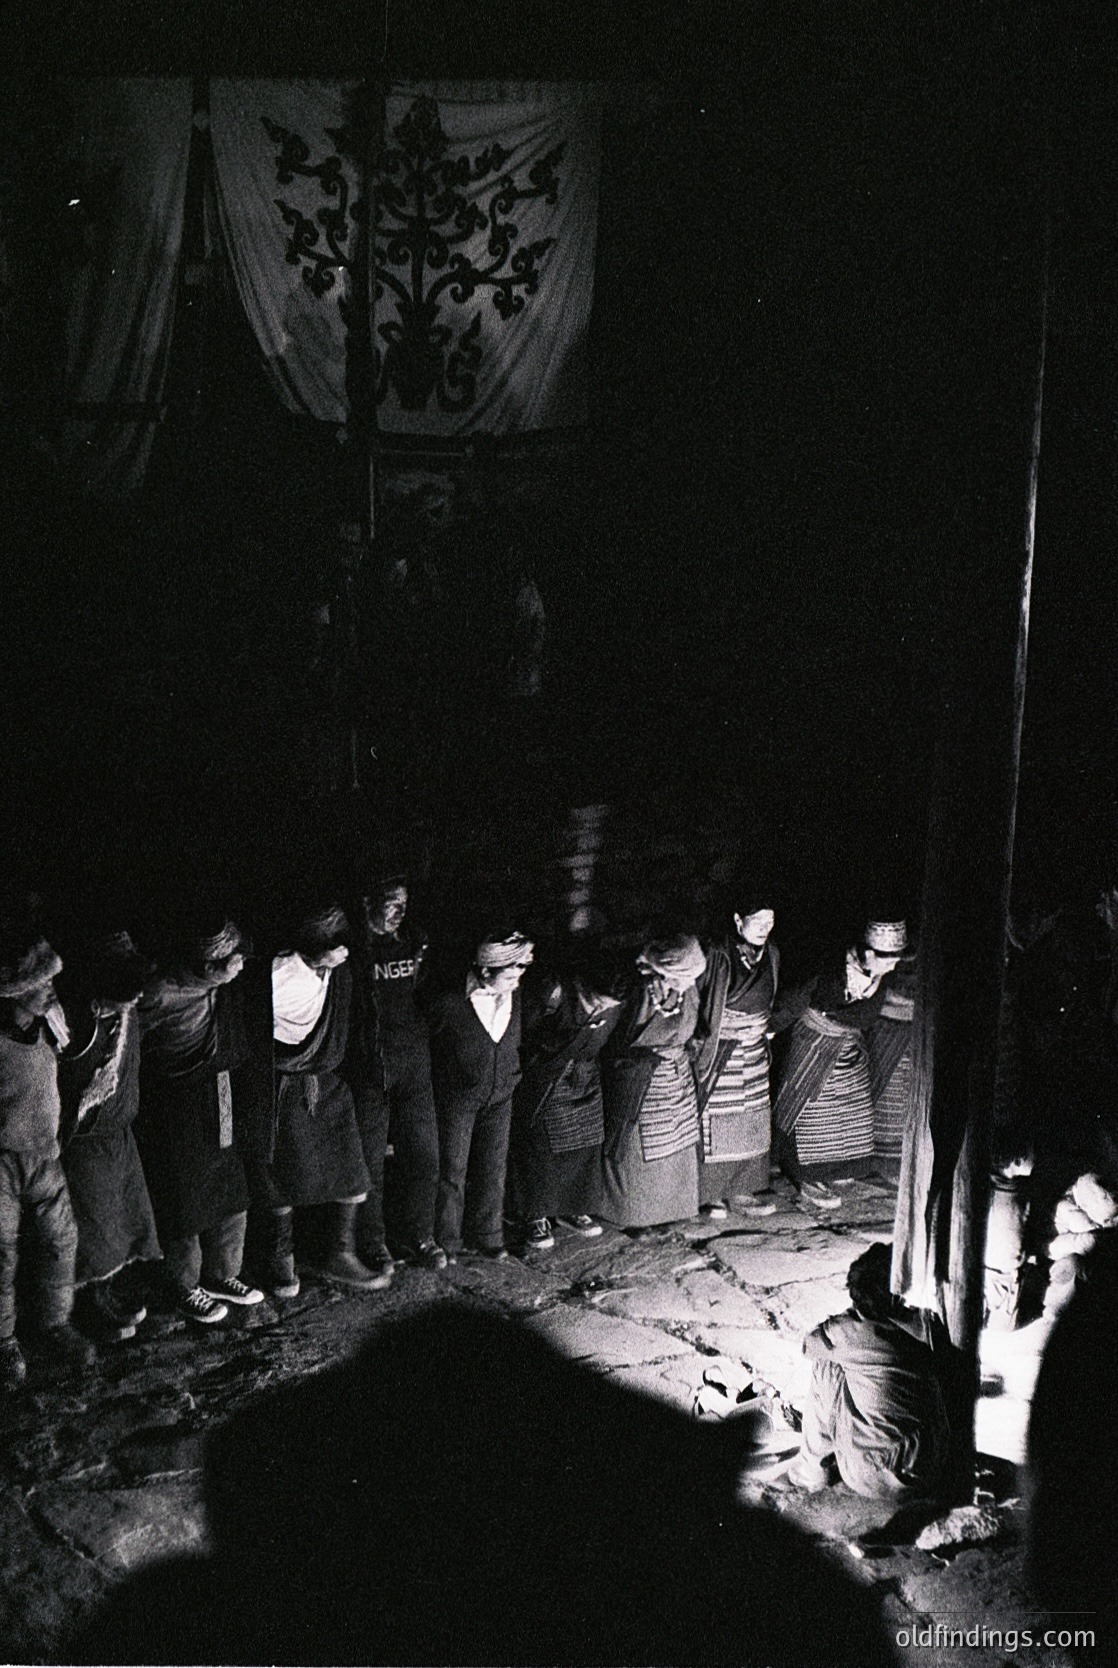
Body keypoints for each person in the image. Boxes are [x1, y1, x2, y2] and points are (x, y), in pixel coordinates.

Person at [239, 903, 386, 1298]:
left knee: (351, 1173)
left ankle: (342, 1252)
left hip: (327, 1081)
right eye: (334, 946)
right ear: (310, 947)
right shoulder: (277, 975)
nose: (343, 953)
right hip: (282, 1087)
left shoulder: (338, 972)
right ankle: (280, 1259)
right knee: (279, 1179)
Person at [135, 918, 264, 1325]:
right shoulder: (160, 991)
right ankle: (183, 1286)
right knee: (183, 1196)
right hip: (176, 1100)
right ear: (207, 965)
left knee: (230, 1185)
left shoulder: (224, 986)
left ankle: (223, 1274)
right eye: (231, 958)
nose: (241, 963)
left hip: (220, 1088)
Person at [0, 936, 94, 1389]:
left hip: (44, 1155)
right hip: (2, 1162)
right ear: (15, 990)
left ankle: (55, 1325)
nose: (53, 991)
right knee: (1, 1254)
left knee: (61, 1239)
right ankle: (3, 1344)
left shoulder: (48, 1024)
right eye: (43, 984)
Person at [57, 930, 160, 1344]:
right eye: (125, 990)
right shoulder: (75, 1024)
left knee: (124, 1218)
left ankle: (114, 1287)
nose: (135, 997)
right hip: (84, 1142)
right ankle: (89, 1301)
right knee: (94, 1229)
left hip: (120, 1135)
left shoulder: (127, 1013)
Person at [786, 1242, 949, 1499]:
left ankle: (812, 1471)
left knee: (827, 1365)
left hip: (867, 1475)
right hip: (927, 1467)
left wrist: (849, 1317)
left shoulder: (848, 1330)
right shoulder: (926, 1325)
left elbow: (809, 1346)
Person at [772, 920, 909, 1209]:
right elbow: (796, 998)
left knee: (853, 1111)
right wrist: (771, 1028)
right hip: (817, 1039)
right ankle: (806, 1174)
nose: (892, 967)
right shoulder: (831, 967)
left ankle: (839, 1170)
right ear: (869, 954)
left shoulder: (879, 976)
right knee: (813, 1113)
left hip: (849, 1043)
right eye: (889, 960)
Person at [350, 877, 444, 1271]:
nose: (400, 912)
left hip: (413, 1061)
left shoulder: (413, 941)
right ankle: (372, 1243)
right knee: (369, 1162)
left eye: (405, 903)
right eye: (392, 903)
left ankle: (419, 1236)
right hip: (369, 1065)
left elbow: (424, 993)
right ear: (369, 902)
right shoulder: (355, 949)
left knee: (423, 1155)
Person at [428, 932, 534, 1261]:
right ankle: (447, 1240)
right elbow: (431, 1046)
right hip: (458, 1097)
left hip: (501, 1094)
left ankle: (488, 1235)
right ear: (486, 971)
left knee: (493, 1166)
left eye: (520, 972)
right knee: (452, 1169)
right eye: (510, 973)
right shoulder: (448, 1002)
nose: (517, 979)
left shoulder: (516, 995)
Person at [509, 949, 623, 1250]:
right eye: (600, 1001)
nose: (604, 1007)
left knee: (586, 1143)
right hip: (549, 1075)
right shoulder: (555, 990)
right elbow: (524, 1033)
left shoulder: (615, 996)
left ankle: (575, 1207)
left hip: (586, 1073)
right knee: (542, 1148)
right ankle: (535, 1214)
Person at [600, 934, 706, 1231]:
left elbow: (695, 1024)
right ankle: (634, 1216)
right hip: (638, 1077)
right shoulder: (637, 990)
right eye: (683, 977)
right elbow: (613, 1039)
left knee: (676, 1144)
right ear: (663, 971)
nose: (688, 983)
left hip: (676, 1071)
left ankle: (670, 1208)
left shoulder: (688, 990)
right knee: (638, 1150)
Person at [693, 899, 780, 1219]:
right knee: (716, 1122)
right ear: (737, 920)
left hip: (753, 1048)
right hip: (720, 1047)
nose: (764, 929)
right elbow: (699, 999)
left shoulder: (771, 953)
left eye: (770, 922)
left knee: (751, 1122)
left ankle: (743, 1188)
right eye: (758, 921)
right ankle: (711, 1192)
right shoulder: (717, 954)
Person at [867, 956, 916, 1180]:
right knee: (888, 1090)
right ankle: (881, 1157)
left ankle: (901, 1157)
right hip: (888, 1013)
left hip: (917, 1015)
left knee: (907, 1092)